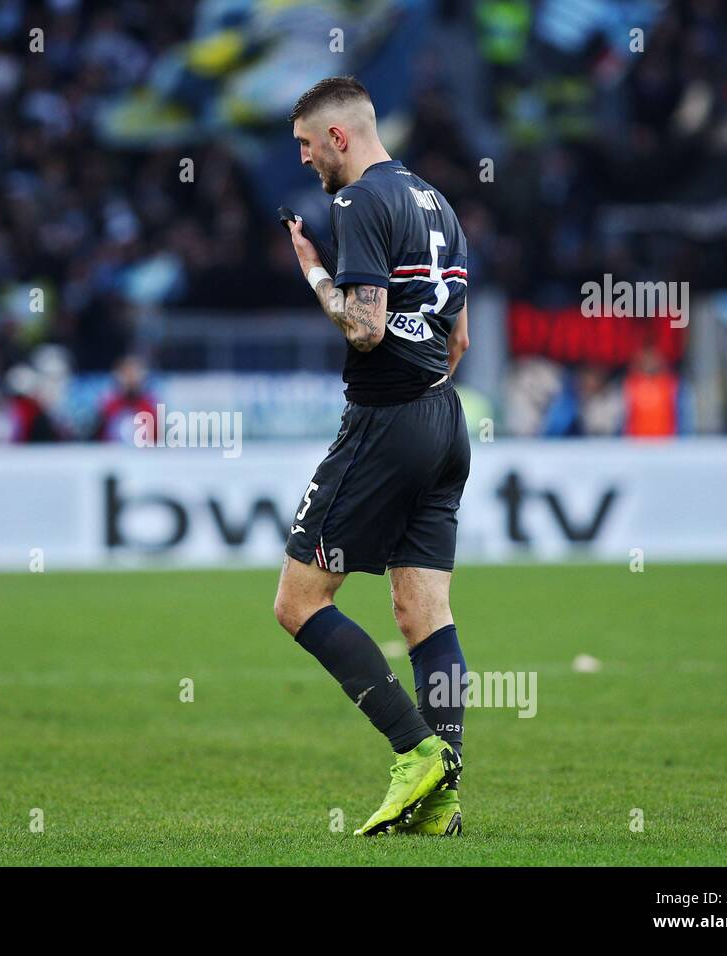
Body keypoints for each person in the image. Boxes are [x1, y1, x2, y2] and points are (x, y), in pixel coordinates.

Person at [275, 76, 471, 837]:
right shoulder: (437, 202)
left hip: (387, 421)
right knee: (425, 613)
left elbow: (363, 328)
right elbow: (459, 335)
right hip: (445, 422)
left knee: (298, 603)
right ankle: (444, 798)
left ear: (340, 138)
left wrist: (315, 273)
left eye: (305, 145)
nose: (303, 161)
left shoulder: (357, 202)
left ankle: (415, 751)